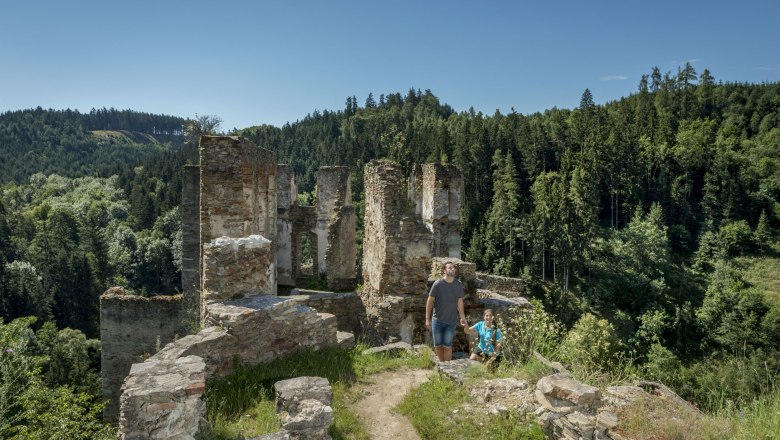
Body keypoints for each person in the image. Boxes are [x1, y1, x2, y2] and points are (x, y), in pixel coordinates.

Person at [425, 261, 467, 362]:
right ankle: (441, 366)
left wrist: (462, 317)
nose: (453, 269)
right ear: (444, 271)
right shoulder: (438, 284)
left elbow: (460, 301)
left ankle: (447, 368)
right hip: (437, 321)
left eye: (453, 268)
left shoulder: (458, 285)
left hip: (451, 322)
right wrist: (427, 319)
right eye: (450, 268)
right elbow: (430, 301)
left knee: (447, 346)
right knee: (438, 346)